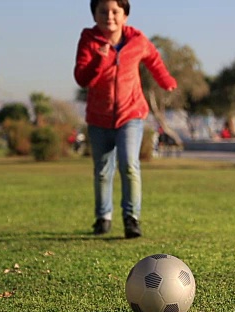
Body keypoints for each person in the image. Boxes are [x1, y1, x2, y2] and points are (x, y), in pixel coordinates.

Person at [74, 0, 177, 238]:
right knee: (102, 170)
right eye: (103, 11)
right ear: (95, 15)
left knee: (129, 165)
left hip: (131, 114)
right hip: (99, 118)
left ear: (125, 15)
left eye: (115, 12)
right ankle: (103, 217)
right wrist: (100, 60)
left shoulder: (137, 41)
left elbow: (154, 59)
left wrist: (165, 80)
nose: (109, 16)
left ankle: (132, 218)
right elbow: (82, 78)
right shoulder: (89, 40)